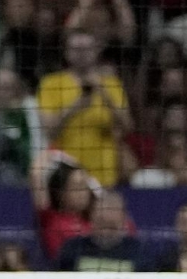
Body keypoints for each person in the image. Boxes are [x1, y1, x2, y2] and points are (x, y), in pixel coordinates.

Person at [36, 29, 131, 185]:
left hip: (105, 175)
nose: (81, 54)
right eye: (76, 49)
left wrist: (105, 95)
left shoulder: (111, 84)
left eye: (86, 49)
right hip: (66, 176)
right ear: (66, 52)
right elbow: (49, 131)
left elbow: (127, 127)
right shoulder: (51, 84)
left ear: (96, 51)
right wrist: (75, 107)